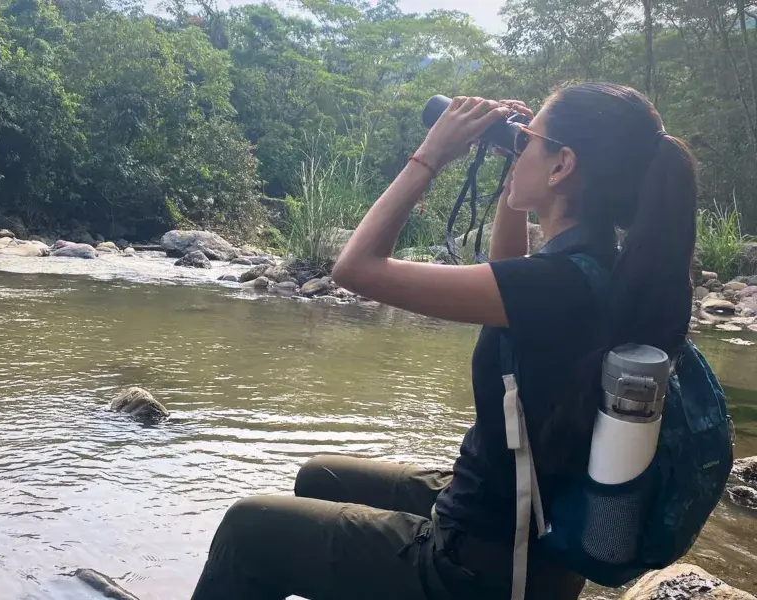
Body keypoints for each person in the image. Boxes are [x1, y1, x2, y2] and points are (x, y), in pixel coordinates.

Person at [189, 82, 698, 600]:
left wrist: (432, 153)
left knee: (247, 528)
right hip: (515, 519)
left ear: (562, 166)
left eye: (528, 141)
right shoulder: (593, 267)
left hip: (483, 563)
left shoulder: (555, 285)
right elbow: (510, 271)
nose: (517, 147)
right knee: (320, 477)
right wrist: (514, 174)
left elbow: (355, 268)